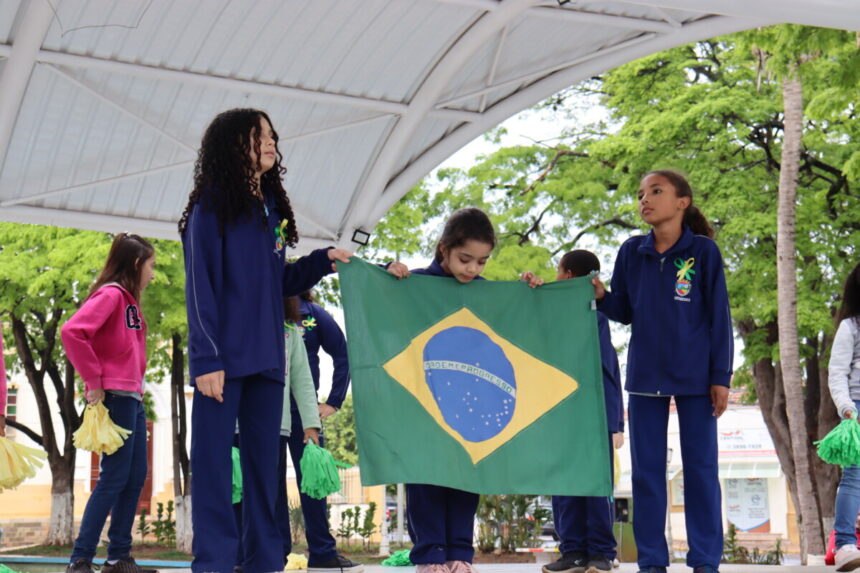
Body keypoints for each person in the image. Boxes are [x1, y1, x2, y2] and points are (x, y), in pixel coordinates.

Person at [178, 108, 351, 573]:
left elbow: (278, 280)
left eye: (273, 135)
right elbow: (200, 284)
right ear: (234, 145)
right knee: (215, 467)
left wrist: (323, 260)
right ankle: (214, 563)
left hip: (267, 361)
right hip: (222, 362)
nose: (271, 143)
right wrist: (206, 358)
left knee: (265, 471)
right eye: (259, 136)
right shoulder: (210, 205)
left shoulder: (270, 208)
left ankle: (264, 562)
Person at [385, 207, 542, 573]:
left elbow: (517, 325)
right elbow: (381, 309)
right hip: (424, 400)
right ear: (444, 249)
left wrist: (529, 292)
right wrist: (388, 274)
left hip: (469, 403)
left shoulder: (485, 294)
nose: (473, 269)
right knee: (425, 476)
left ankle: (459, 552)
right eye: (465, 259)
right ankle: (429, 554)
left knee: (465, 475)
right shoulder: (416, 283)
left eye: (482, 262)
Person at [593, 170, 733, 573]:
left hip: (696, 378)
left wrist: (720, 376)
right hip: (644, 377)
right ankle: (652, 561)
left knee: (702, 471)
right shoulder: (630, 251)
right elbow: (623, 311)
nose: (645, 200)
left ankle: (705, 561)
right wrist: (603, 296)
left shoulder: (703, 252)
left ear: (682, 202)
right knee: (647, 475)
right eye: (640, 194)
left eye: (656, 191)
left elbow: (719, 318)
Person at [61, 233, 156, 573]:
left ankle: (118, 557)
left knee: (134, 478)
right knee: (114, 478)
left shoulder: (130, 301)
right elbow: (72, 332)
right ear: (135, 264)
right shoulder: (112, 295)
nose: (153, 274)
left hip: (132, 396)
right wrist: (93, 380)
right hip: (115, 395)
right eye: (151, 266)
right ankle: (80, 559)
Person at [533, 250, 624, 573]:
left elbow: (608, 371)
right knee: (565, 484)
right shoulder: (550, 316)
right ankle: (572, 552)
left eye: (557, 272)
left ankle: (600, 553)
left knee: (596, 485)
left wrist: (615, 423)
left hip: (593, 417)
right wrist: (534, 290)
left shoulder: (594, 318)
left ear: (568, 275)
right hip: (561, 414)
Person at [234, 296, 322, 569]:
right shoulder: (239, 322)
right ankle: (239, 557)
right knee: (239, 493)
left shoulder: (289, 331)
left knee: (271, 494)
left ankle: (274, 555)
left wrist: (310, 423)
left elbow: (302, 378)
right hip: (238, 426)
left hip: (276, 426)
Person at [286, 290, 361, 572]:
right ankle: (271, 550)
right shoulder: (259, 306)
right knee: (264, 484)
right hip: (264, 411)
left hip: (304, 412)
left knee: (314, 484)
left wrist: (334, 401)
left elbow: (344, 353)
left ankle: (322, 552)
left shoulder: (313, 315)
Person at [827, 262, 860, 572]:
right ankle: (845, 546)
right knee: (854, 478)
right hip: (858, 410)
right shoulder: (850, 327)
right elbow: (837, 373)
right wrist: (847, 409)